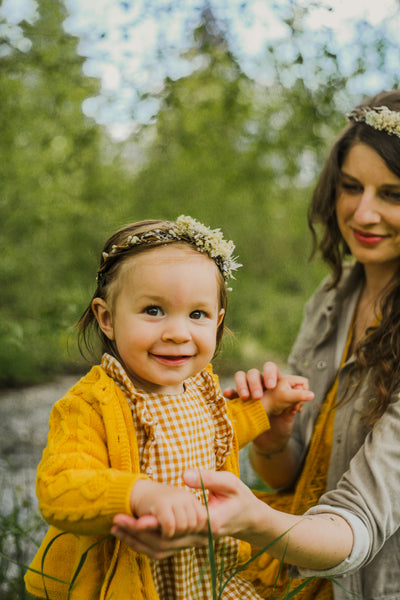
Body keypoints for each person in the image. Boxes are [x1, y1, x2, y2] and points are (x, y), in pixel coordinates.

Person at [110, 90, 400, 600]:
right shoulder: (332, 297)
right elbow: (289, 473)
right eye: (351, 187)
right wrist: (272, 436)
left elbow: (357, 525)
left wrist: (249, 522)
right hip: (289, 561)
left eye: (393, 194)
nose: (363, 213)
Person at [24, 215, 312, 600]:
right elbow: (58, 487)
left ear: (218, 321)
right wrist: (140, 494)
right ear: (107, 318)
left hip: (206, 570)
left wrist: (268, 404)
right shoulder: (90, 404)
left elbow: (218, 432)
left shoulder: (198, 388)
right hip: (131, 577)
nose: (178, 332)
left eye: (197, 315)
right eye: (154, 311)